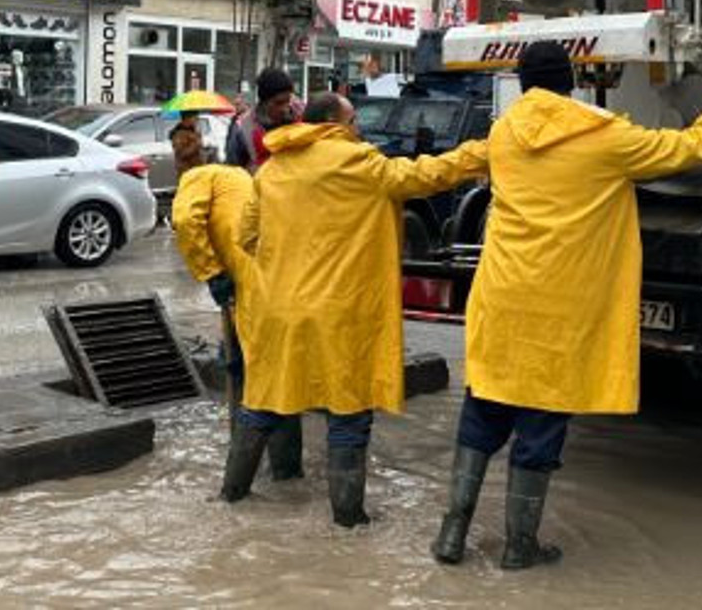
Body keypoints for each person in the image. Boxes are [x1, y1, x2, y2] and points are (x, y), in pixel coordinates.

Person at [430, 41, 702, 570]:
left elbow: (443, 169)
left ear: (524, 84)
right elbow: (690, 147)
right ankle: (520, 547)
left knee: (485, 406)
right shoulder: (607, 139)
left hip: (502, 299)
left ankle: (452, 534)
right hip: (561, 306)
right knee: (541, 417)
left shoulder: (503, 134)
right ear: (570, 83)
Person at [223, 92, 489, 527]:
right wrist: (484, 151)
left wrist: (290, 260)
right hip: (340, 314)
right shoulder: (360, 164)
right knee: (347, 412)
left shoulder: (272, 169)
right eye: (353, 121)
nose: (358, 129)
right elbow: (428, 174)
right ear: (334, 124)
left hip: (279, 311)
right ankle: (349, 522)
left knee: (264, 401)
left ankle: (230, 497)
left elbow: (246, 236)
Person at [169, 136, 304, 482]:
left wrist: (211, 273)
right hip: (282, 281)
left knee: (257, 382)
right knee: (280, 377)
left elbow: (185, 220)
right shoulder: (240, 177)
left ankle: (236, 487)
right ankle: (287, 475)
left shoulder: (197, 177)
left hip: (250, 288)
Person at [224, 68, 301, 172]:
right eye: (279, 103)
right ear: (264, 102)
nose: (285, 109)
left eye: (288, 101)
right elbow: (232, 171)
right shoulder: (242, 129)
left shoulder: (298, 119)